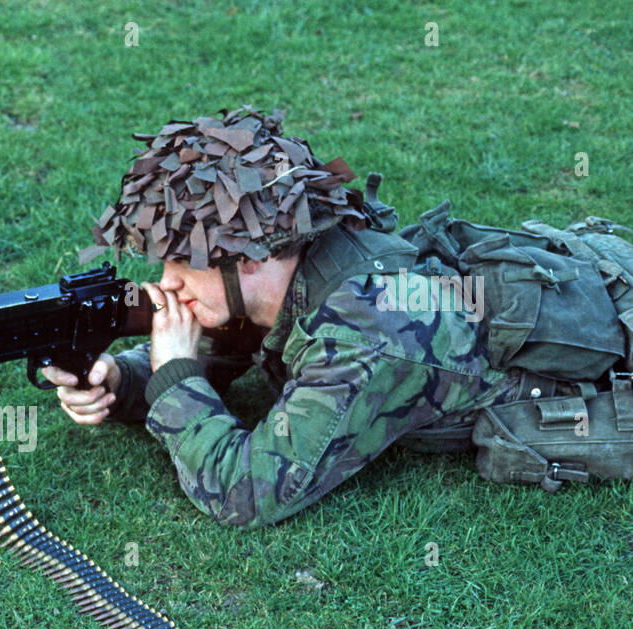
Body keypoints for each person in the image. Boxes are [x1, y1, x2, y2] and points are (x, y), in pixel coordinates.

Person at [44, 106, 633, 526]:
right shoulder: (304, 256)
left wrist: (174, 378)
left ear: (249, 258)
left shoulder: (365, 333)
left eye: (183, 264)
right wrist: (124, 383)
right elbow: (228, 349)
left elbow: (247, 492)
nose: (165, 284)